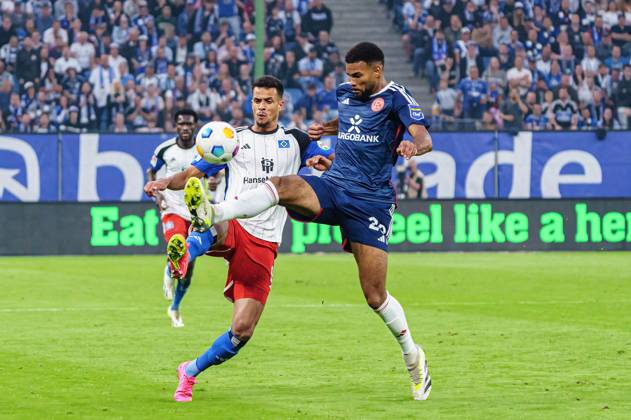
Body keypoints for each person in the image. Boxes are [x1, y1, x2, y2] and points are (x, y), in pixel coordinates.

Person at [177, 42, 434, 400]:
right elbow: (348, 120)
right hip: (334, 187)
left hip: (371, 204)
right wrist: (326, 129)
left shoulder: (397, 98)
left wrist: (411, 146)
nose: (351, 82)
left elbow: (423, 137)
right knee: (284, 187)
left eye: (358, 75)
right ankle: (215, 213)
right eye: (348, 75)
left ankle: (413, 357)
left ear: (377, 71)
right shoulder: (346, 93)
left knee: (374, 295)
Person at [143, 76, 333, 402]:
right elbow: (192, 174)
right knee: (216, 223)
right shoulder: (231, 139)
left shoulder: (296, 139)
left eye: (268, 101)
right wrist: (164, 184)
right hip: (234, 222)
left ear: (280, 104)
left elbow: (326, 163)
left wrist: (320, 162)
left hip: (265, 242)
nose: (261, 107)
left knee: (242, 332)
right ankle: (186, 252)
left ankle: (189, 371)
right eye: (257, 101)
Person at [146, 109, 200, 327]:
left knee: (188, 266)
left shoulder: (204, 149)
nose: (185, 127)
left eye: (189, 124)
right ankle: (169, 271)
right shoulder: (165, 149)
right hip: (172, 207)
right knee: (176, 243)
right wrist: (158, 195)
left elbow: (216, 172)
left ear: (195, 126)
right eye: (181, 124)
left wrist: (215, 181)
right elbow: (151, 172)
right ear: (176, 126)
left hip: (196, 211)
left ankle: (175, 307)